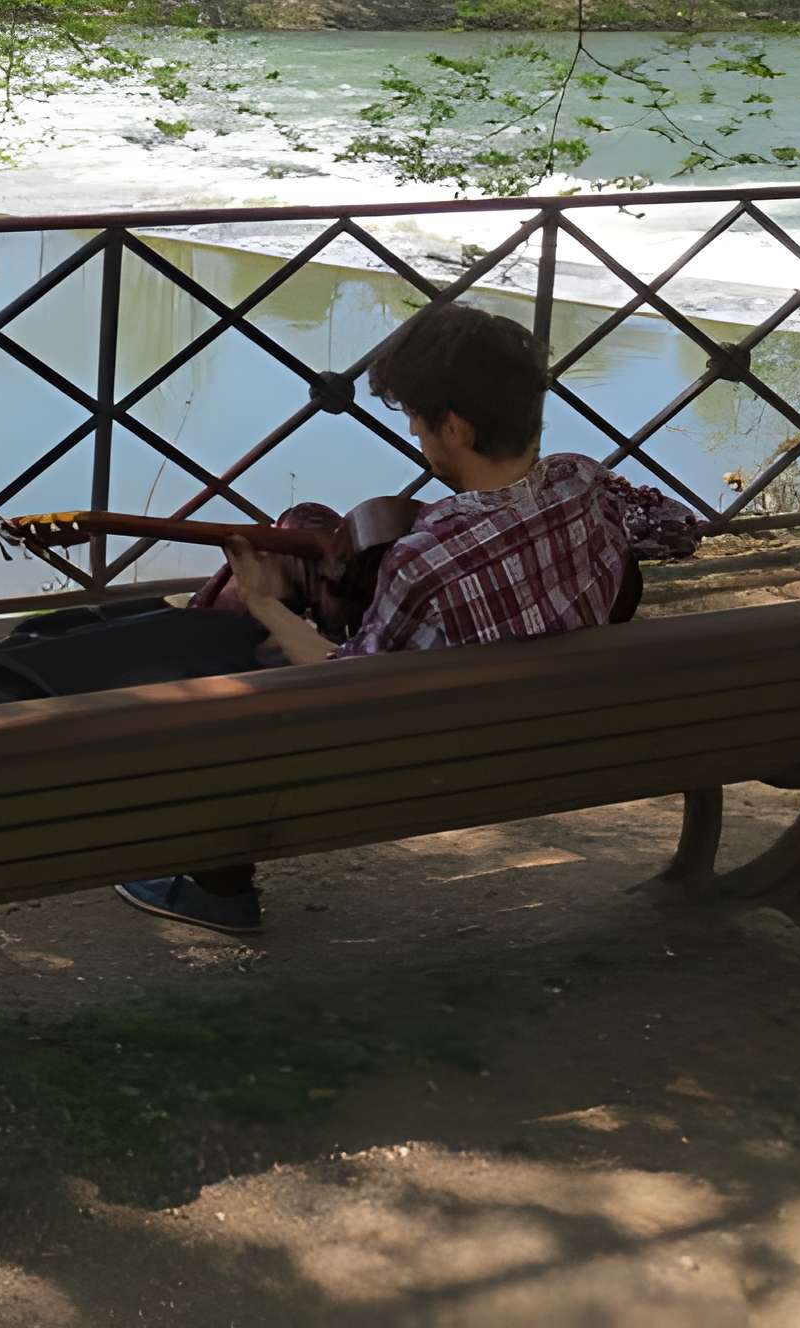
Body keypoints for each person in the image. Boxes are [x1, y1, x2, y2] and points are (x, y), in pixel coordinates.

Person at [118, 300, 705, 938]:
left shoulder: (427, 564)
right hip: (552, 741)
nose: (418, 438)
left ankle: (218, 883)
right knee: (310, 534)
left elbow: (347, 685)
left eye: (419, 424)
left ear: (453, 427)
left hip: (407, 769)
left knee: (240, 651)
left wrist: (263, 601)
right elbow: (673, 528)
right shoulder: (583, 484)